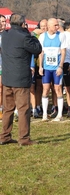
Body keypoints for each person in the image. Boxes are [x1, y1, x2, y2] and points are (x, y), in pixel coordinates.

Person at [0, 14, 42, 146]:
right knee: (23, 109)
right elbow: (37, 49)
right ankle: (24, 138)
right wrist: (32, 34)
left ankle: (4, 136)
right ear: (23, 23)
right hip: (21, 79)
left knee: (8, 109)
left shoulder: (5, 35)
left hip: (7, 78)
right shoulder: (25, 37)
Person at [38, 18, 67, 122]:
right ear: (49, 26)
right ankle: (45, 114)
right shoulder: (42, 36)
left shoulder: (61, 36)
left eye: (57, 25)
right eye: (55, 25)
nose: (57, 27)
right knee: (45, 89)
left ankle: (59, 114)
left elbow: (63, 52)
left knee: (58, 89)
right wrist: (40, 66)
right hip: (46, 68)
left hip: (56, 68)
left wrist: (60, 66)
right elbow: (41, 53)